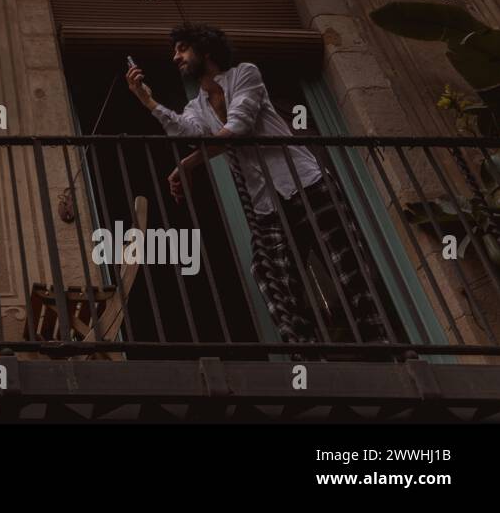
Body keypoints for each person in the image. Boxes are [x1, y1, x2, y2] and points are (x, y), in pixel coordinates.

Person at [125, 23, 390, 346]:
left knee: (346, 265)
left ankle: (383, 346)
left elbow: (239, 126)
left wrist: (189, 163)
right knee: (270, 274)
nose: (175, 57)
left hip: (306, 184)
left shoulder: (244, 75)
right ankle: (305, 356)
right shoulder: (197, 106)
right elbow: (190, 134)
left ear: (205, 50)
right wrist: (148, 102)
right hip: (266, 203)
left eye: (182, 49)